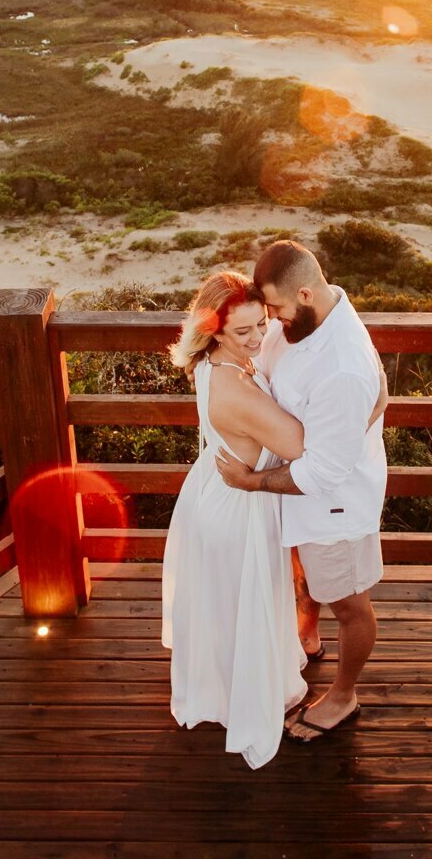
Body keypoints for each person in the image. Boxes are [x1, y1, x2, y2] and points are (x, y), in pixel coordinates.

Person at [216, 239, 387, 743]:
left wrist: (250, 482)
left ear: (307, 294)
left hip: (333, 506)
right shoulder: (308, 319)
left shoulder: (340, 363)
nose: (271, 321)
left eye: (277, 309)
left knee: (350, 604)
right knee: (305, 576)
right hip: (297, 499)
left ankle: (343, 695)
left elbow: (322, 474)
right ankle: (307, 637)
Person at [159, 270, 311, 769]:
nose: (257, 338)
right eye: (241, 331)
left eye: (261, 323)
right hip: (237, 511)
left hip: (209, 496)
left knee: (224, 607)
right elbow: (305, 447)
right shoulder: (236, 390)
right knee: (243, 605)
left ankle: (221, 688)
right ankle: (238, 698)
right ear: (215, 331)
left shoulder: (209, 366)